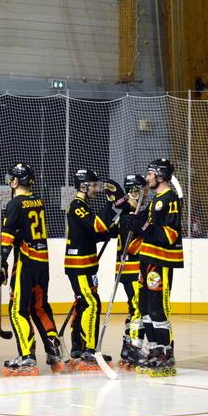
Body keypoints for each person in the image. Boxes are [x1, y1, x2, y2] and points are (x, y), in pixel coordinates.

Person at [0, 163, 62, 376]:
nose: (9, 181)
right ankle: (54, 350)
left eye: (11, 178)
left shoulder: (15, 204)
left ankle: (27, 356)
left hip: (26, 263)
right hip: (43, 263)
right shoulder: (38, 202)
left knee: (17, 310)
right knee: (40, 308)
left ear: (16, 181)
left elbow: (6, 238)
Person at [125, 158, 184, 377]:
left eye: (150, 174)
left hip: (161, 262)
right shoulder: (157, 199)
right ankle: (153, 350)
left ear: (160, 176)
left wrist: (143, 226)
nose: (147, 177)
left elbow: (170, 234)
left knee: (158, 309)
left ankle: (165, 355)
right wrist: (132, 220)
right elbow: (147, 222)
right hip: (147, 260)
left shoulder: (170, 199)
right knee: (147, 309)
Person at [64, 169, 123, 370]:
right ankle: (89, 351)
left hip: (87, 265)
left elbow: (91, 233)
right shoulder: (77, 206)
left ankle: (77, 348)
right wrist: (112, 205)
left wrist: (110, 231)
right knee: (90, 303)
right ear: (83, 185)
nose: (97, 189)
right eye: (94, 185)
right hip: (79, 265)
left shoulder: (84, 206)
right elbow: (96, 225)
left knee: (84, 303)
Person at [114, 174, 148, 370]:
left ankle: (127, 347)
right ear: (134, 190)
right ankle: (134, 346)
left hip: (128, 269)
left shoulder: (130, 213)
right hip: (131, 269)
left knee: (133, 308)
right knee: (138, 309)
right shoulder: (128, 216)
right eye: (141, 189)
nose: (145, 192)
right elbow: (132, 247)